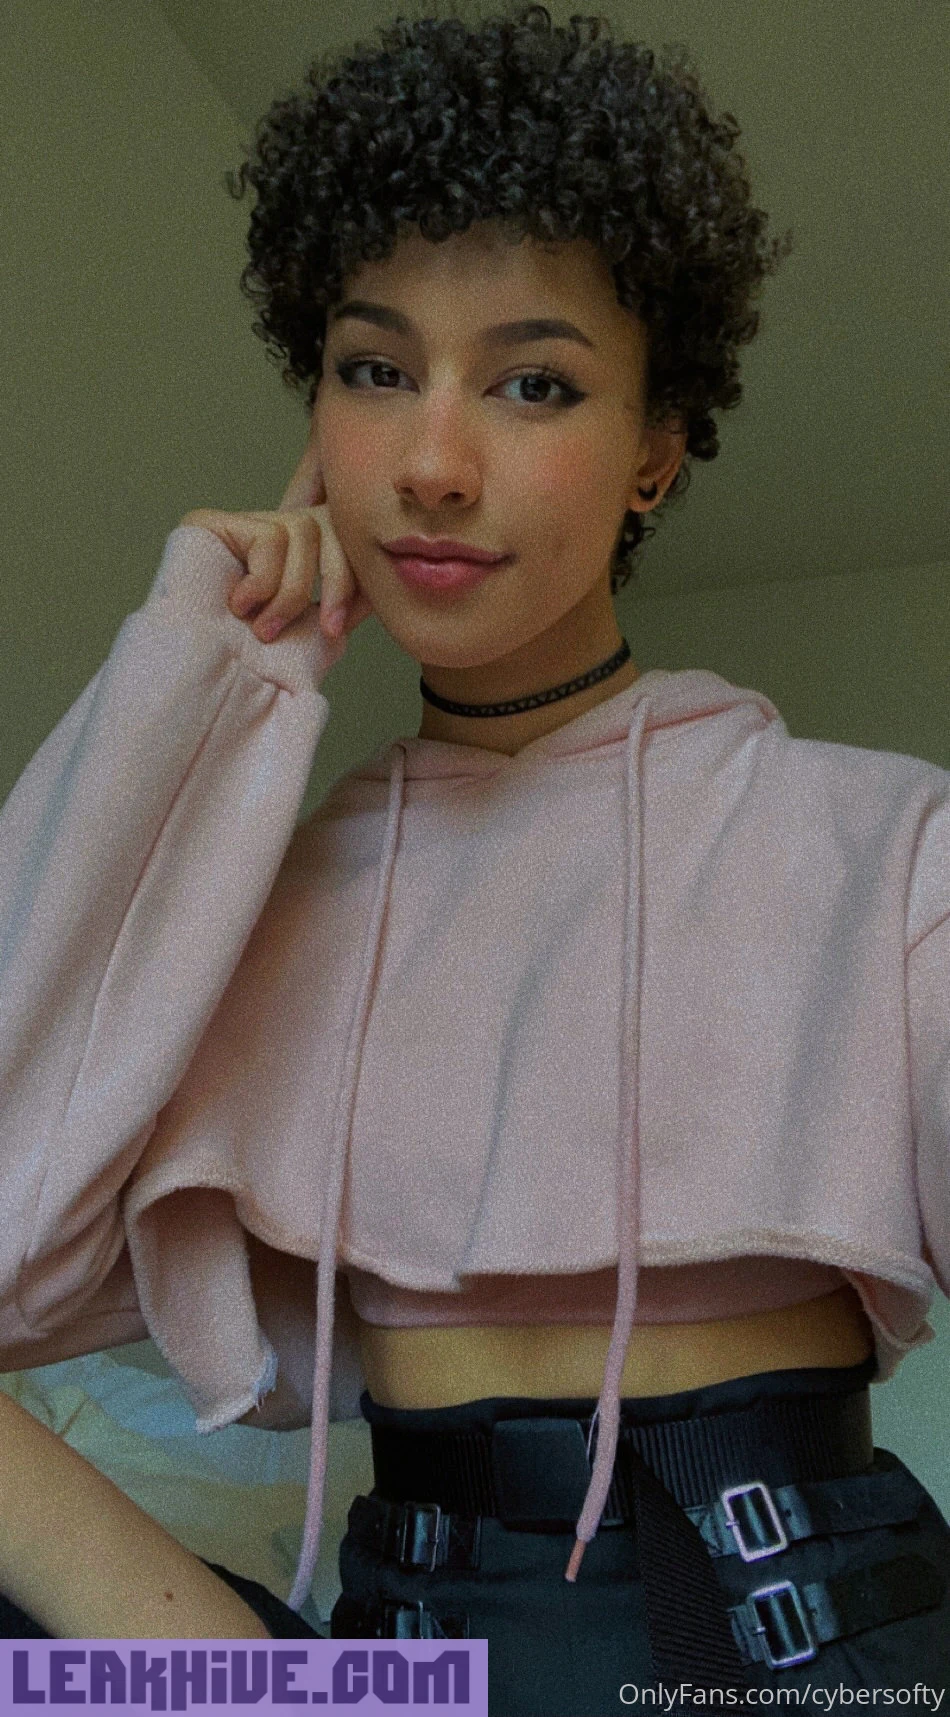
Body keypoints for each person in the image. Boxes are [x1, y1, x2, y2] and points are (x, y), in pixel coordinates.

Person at [1, 3, 948, 1709]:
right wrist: (196, 684)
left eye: (532, 384)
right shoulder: (265, 910)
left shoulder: (879, 845)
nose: (433, 465)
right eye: (375, 371)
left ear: (653, 451)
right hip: (386, 1678)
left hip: (807, 1664)